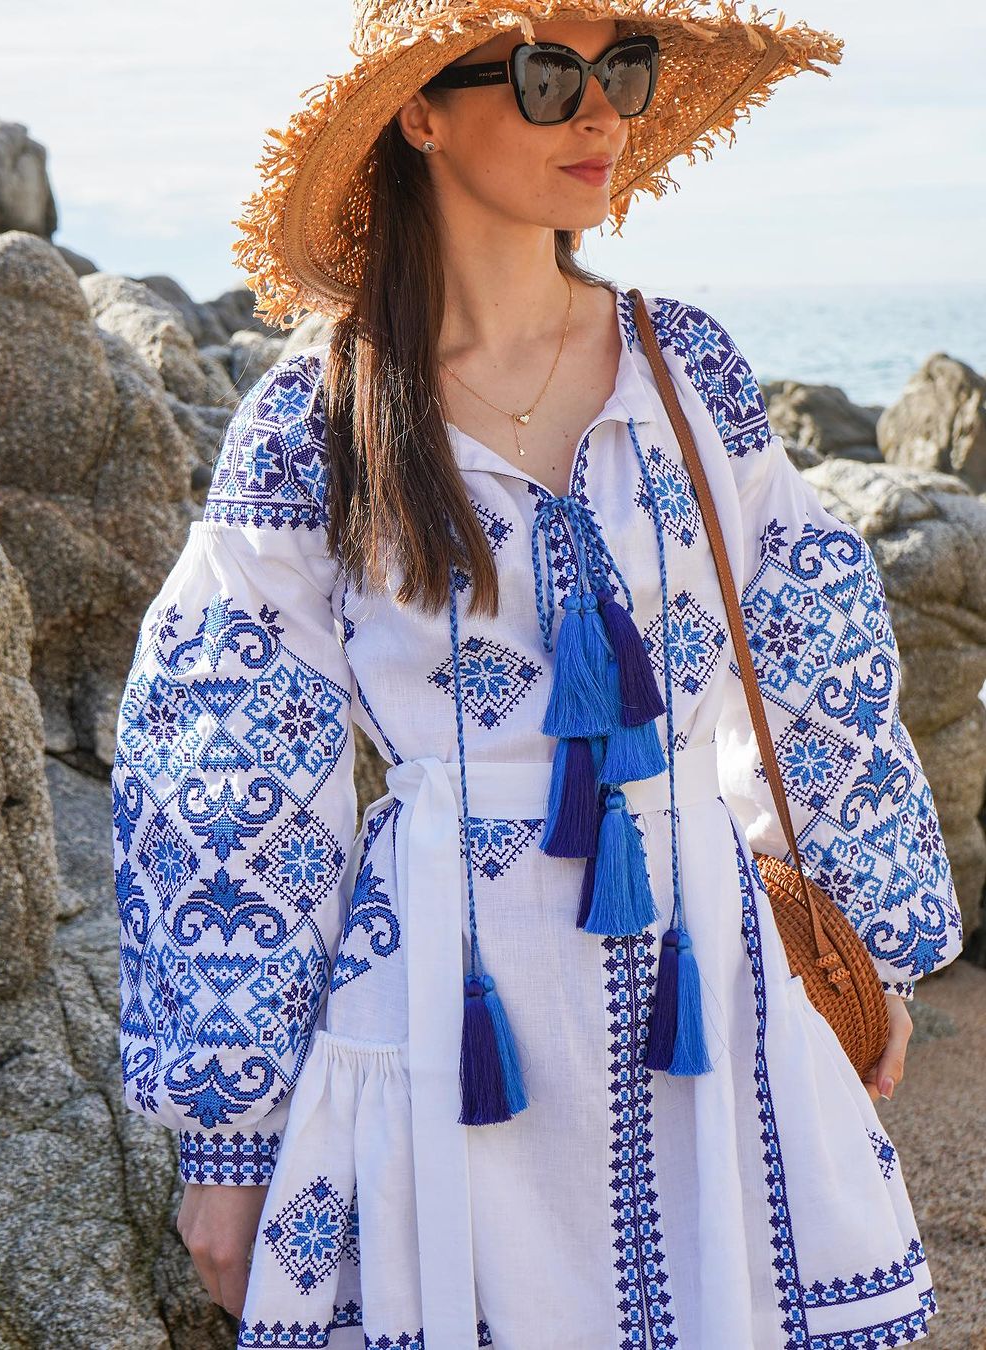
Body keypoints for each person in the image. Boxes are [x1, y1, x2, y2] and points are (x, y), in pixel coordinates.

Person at [110, 4, 964, 1346]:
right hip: (453, 1009)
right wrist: (227, 1136)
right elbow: (223, 758)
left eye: (623, 70)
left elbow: (815, 639)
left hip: (710, 980)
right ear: (421, 110)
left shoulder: (690, 368)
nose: (605, 113)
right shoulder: (317, 417)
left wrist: (876, 935)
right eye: (551, 74)